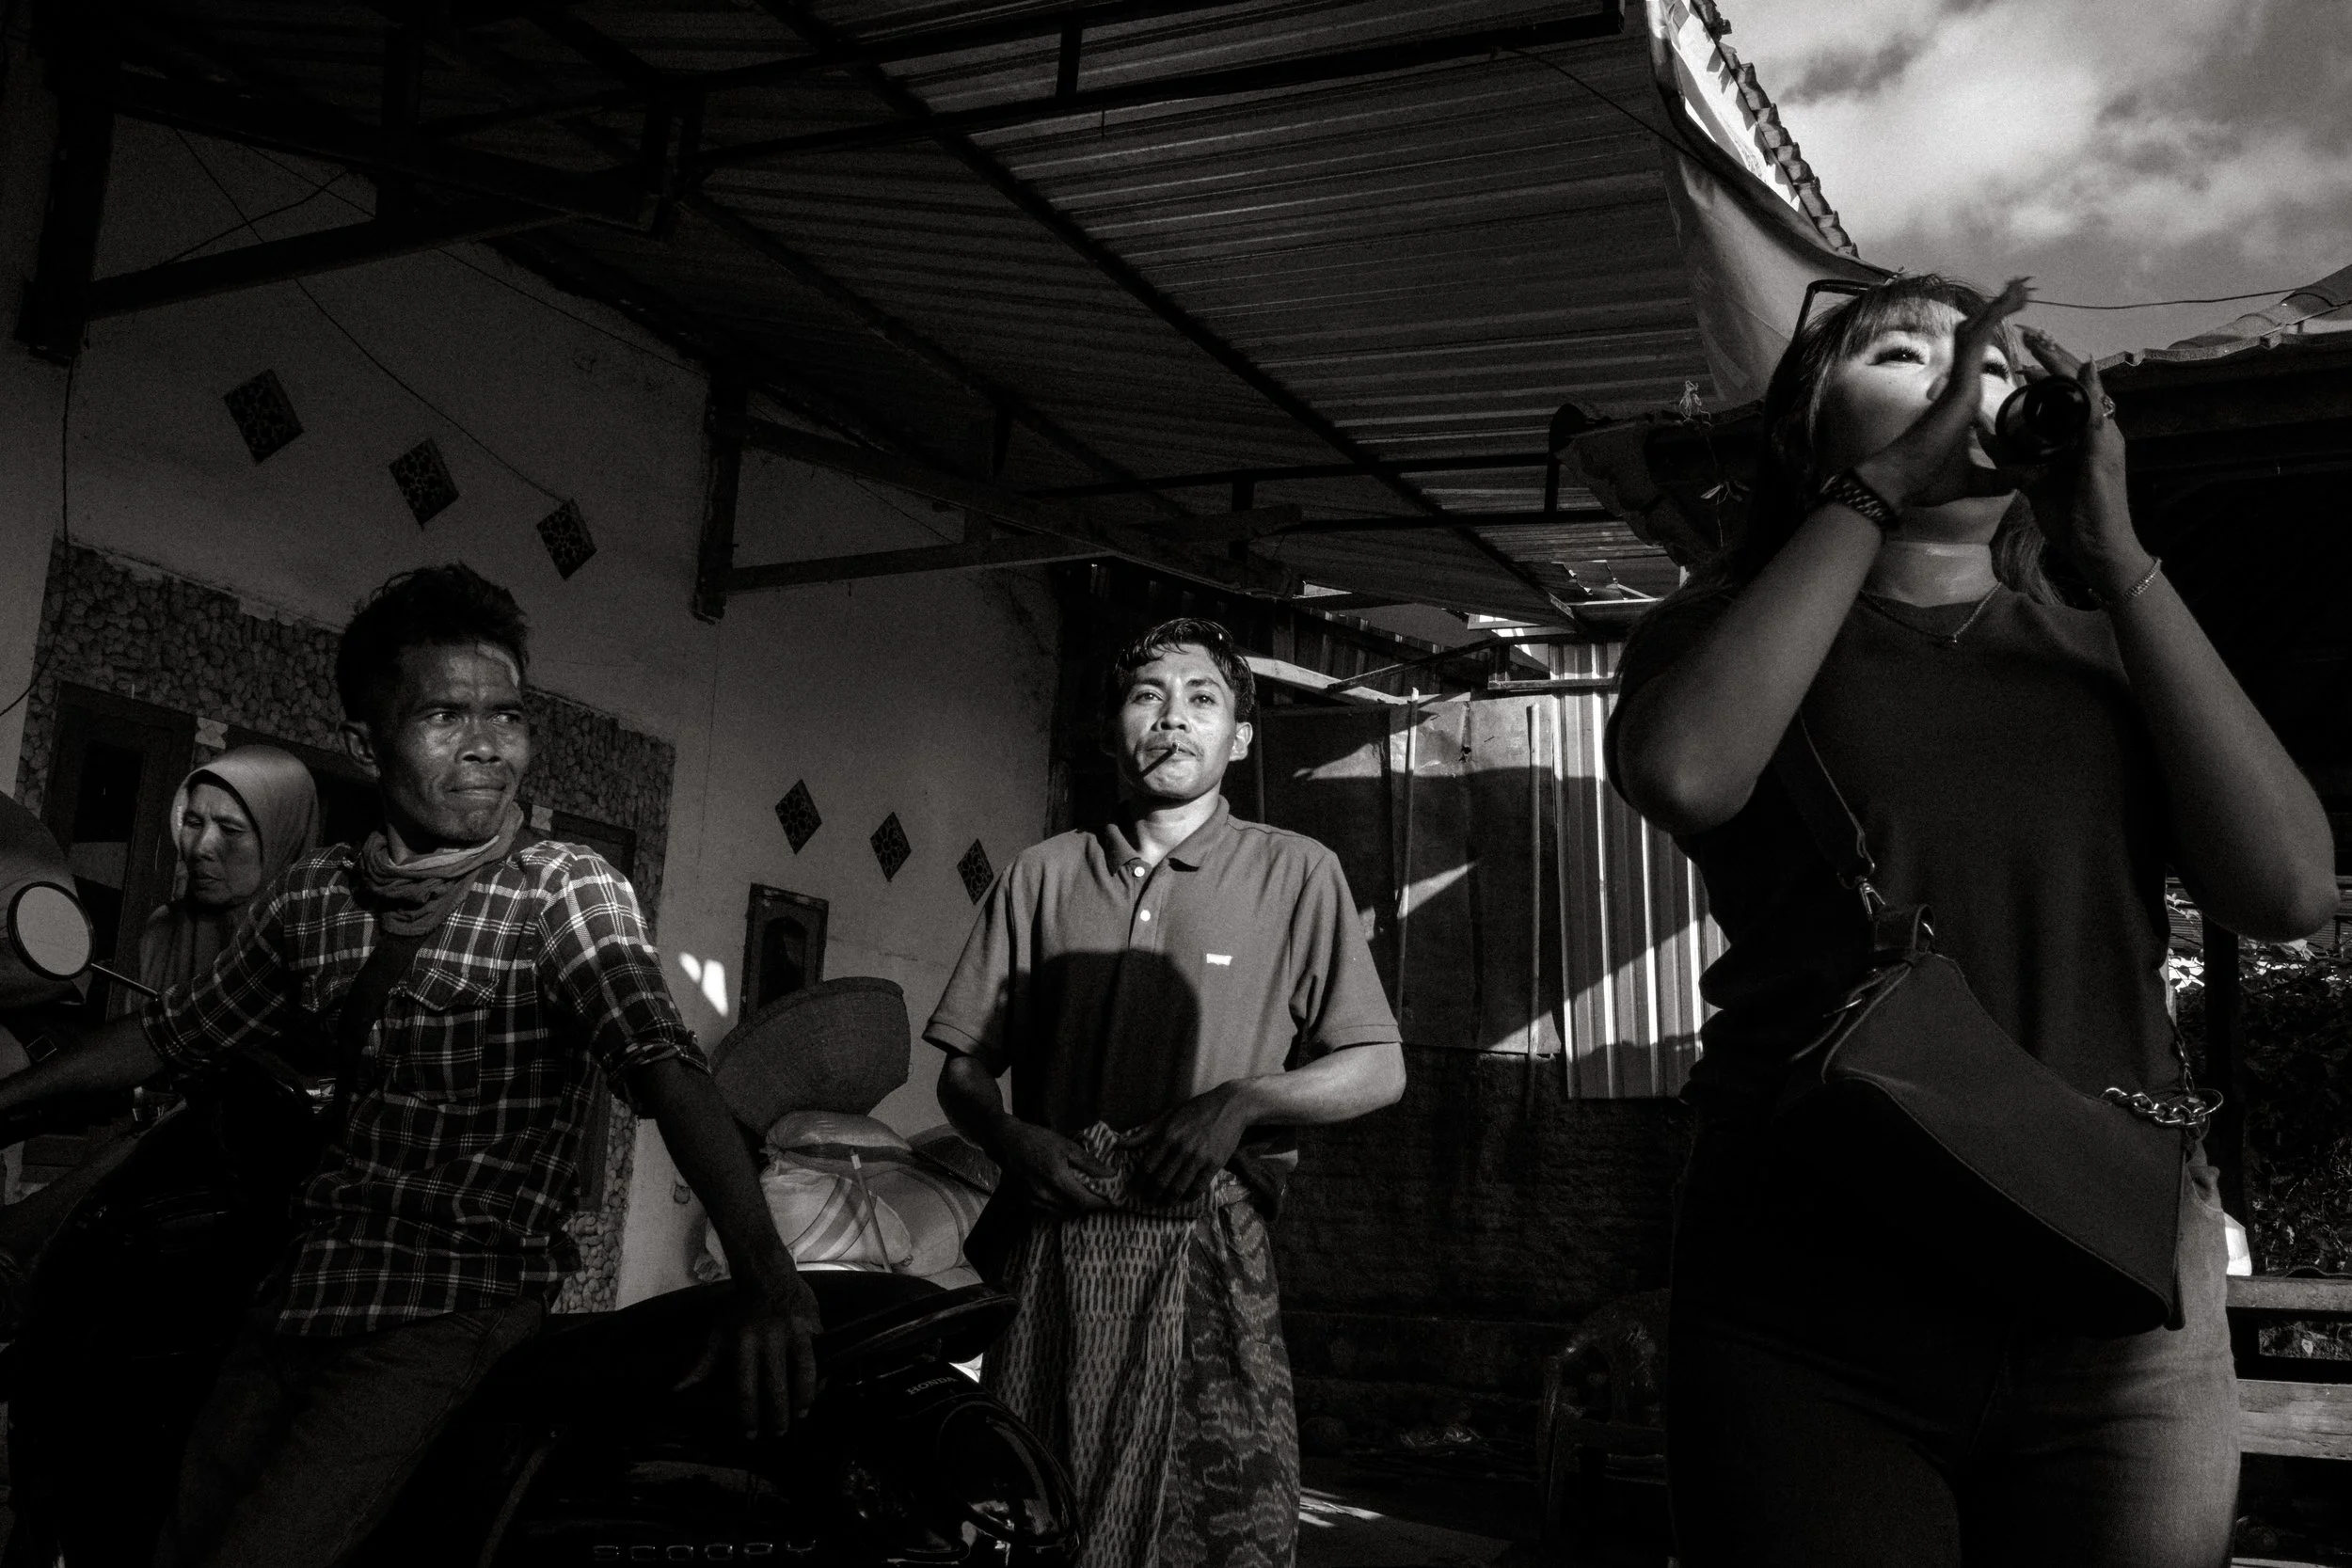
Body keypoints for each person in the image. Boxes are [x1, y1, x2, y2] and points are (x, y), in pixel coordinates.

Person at [1608, 274, 2337, 1568]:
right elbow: (1687, 773)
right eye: (1905, 355)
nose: (1963, 388)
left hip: (2109, 1275)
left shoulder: (2111, 642)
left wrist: (2112, 550)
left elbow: (2283, 892)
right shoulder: (1717, 628)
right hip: (1811, 1266)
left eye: (1996, 370)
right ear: (1809, 426)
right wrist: (1877, 492)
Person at [0, 563, 821, 1568]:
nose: (490, 747)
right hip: (299, 1295)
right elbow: (174, 1031)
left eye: (508, 716)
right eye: (444, 715)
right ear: (368, 738)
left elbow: (662, 1063)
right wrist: (10, 1103)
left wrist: (766, 1273)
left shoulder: (563, 888)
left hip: (450, 1308)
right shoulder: (317, 898)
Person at [926, 617, 1406, 1568]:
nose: (1171, 719)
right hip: (1053, 1249)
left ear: (1240, 737)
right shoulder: (1043, 872)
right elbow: (962, 1070)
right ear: (1113, 727)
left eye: (1202, 699)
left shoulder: (1295, 872)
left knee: (1217, 1518)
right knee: (1036, 1506)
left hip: (1203, 1250)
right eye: (1147, 696)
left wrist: (1242, 1102)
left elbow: (1377, 1066)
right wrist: (1013, 1137)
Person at [139, 745, 322, 994]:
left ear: (282, 842)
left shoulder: (309, 957)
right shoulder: (162, 930)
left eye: (230, 830)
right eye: (193, 823)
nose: (200, 847)